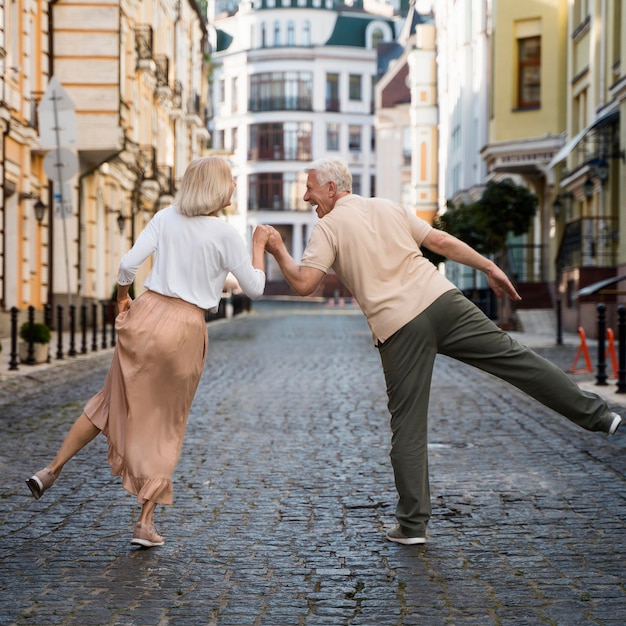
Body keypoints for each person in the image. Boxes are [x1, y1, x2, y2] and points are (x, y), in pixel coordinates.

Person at [263, 156, 622, 546]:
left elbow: (304, 285)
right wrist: (489, 267)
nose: (305, 196)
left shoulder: (327, 227)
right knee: (517, 360)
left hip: (400, 327)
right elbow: (440, 241)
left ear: (332, 188)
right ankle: (599, 416)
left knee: (408, 427)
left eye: (310, 187)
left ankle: (413, 526)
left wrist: (279, 249)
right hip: (444, 301)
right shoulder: (388, 206)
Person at [26, 156, 271, 548]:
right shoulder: (226, 235)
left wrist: (123, 298)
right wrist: (259, 245)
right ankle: (144, 522)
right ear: (215, 187)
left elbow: (128, 265)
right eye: (230, 182)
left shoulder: (166, 217)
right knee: (166, 425)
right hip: (185, 329)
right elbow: (255, 287)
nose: (234, 188)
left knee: (108, 401)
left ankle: (51, 469)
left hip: (146, 313)